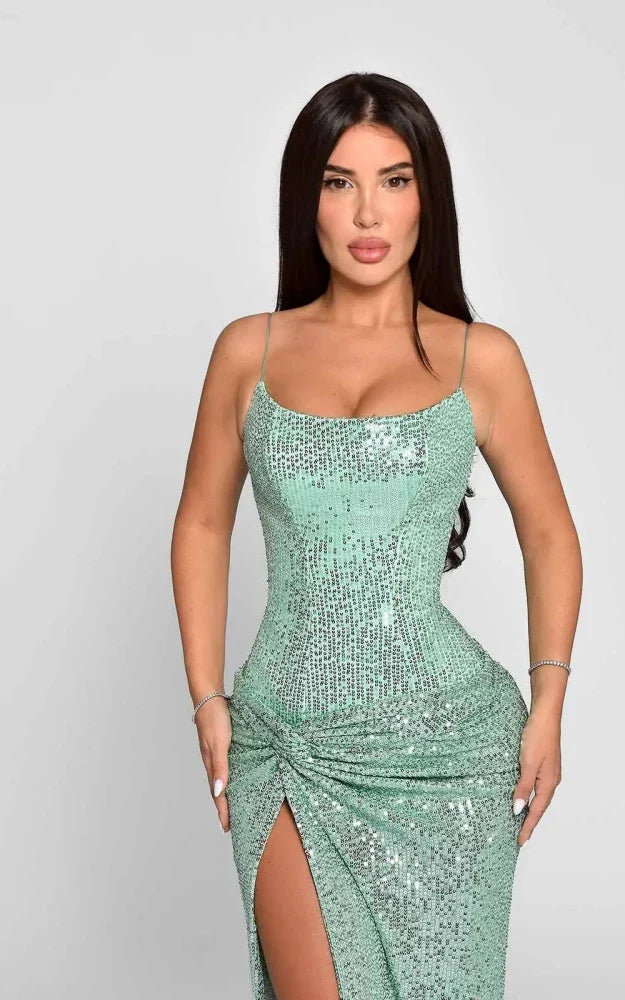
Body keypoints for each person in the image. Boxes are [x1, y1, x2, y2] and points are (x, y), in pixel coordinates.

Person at [171, 72, 582, 1000]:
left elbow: (551, 533)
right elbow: (200, 522)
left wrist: (549, 703)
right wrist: (207, 699)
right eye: (338, 181)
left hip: (448, 750)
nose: (368, 212)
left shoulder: (483, 358)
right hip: (287, 741)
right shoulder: (249, 351)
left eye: (395, 181)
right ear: (305, 199)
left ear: (427, 198)